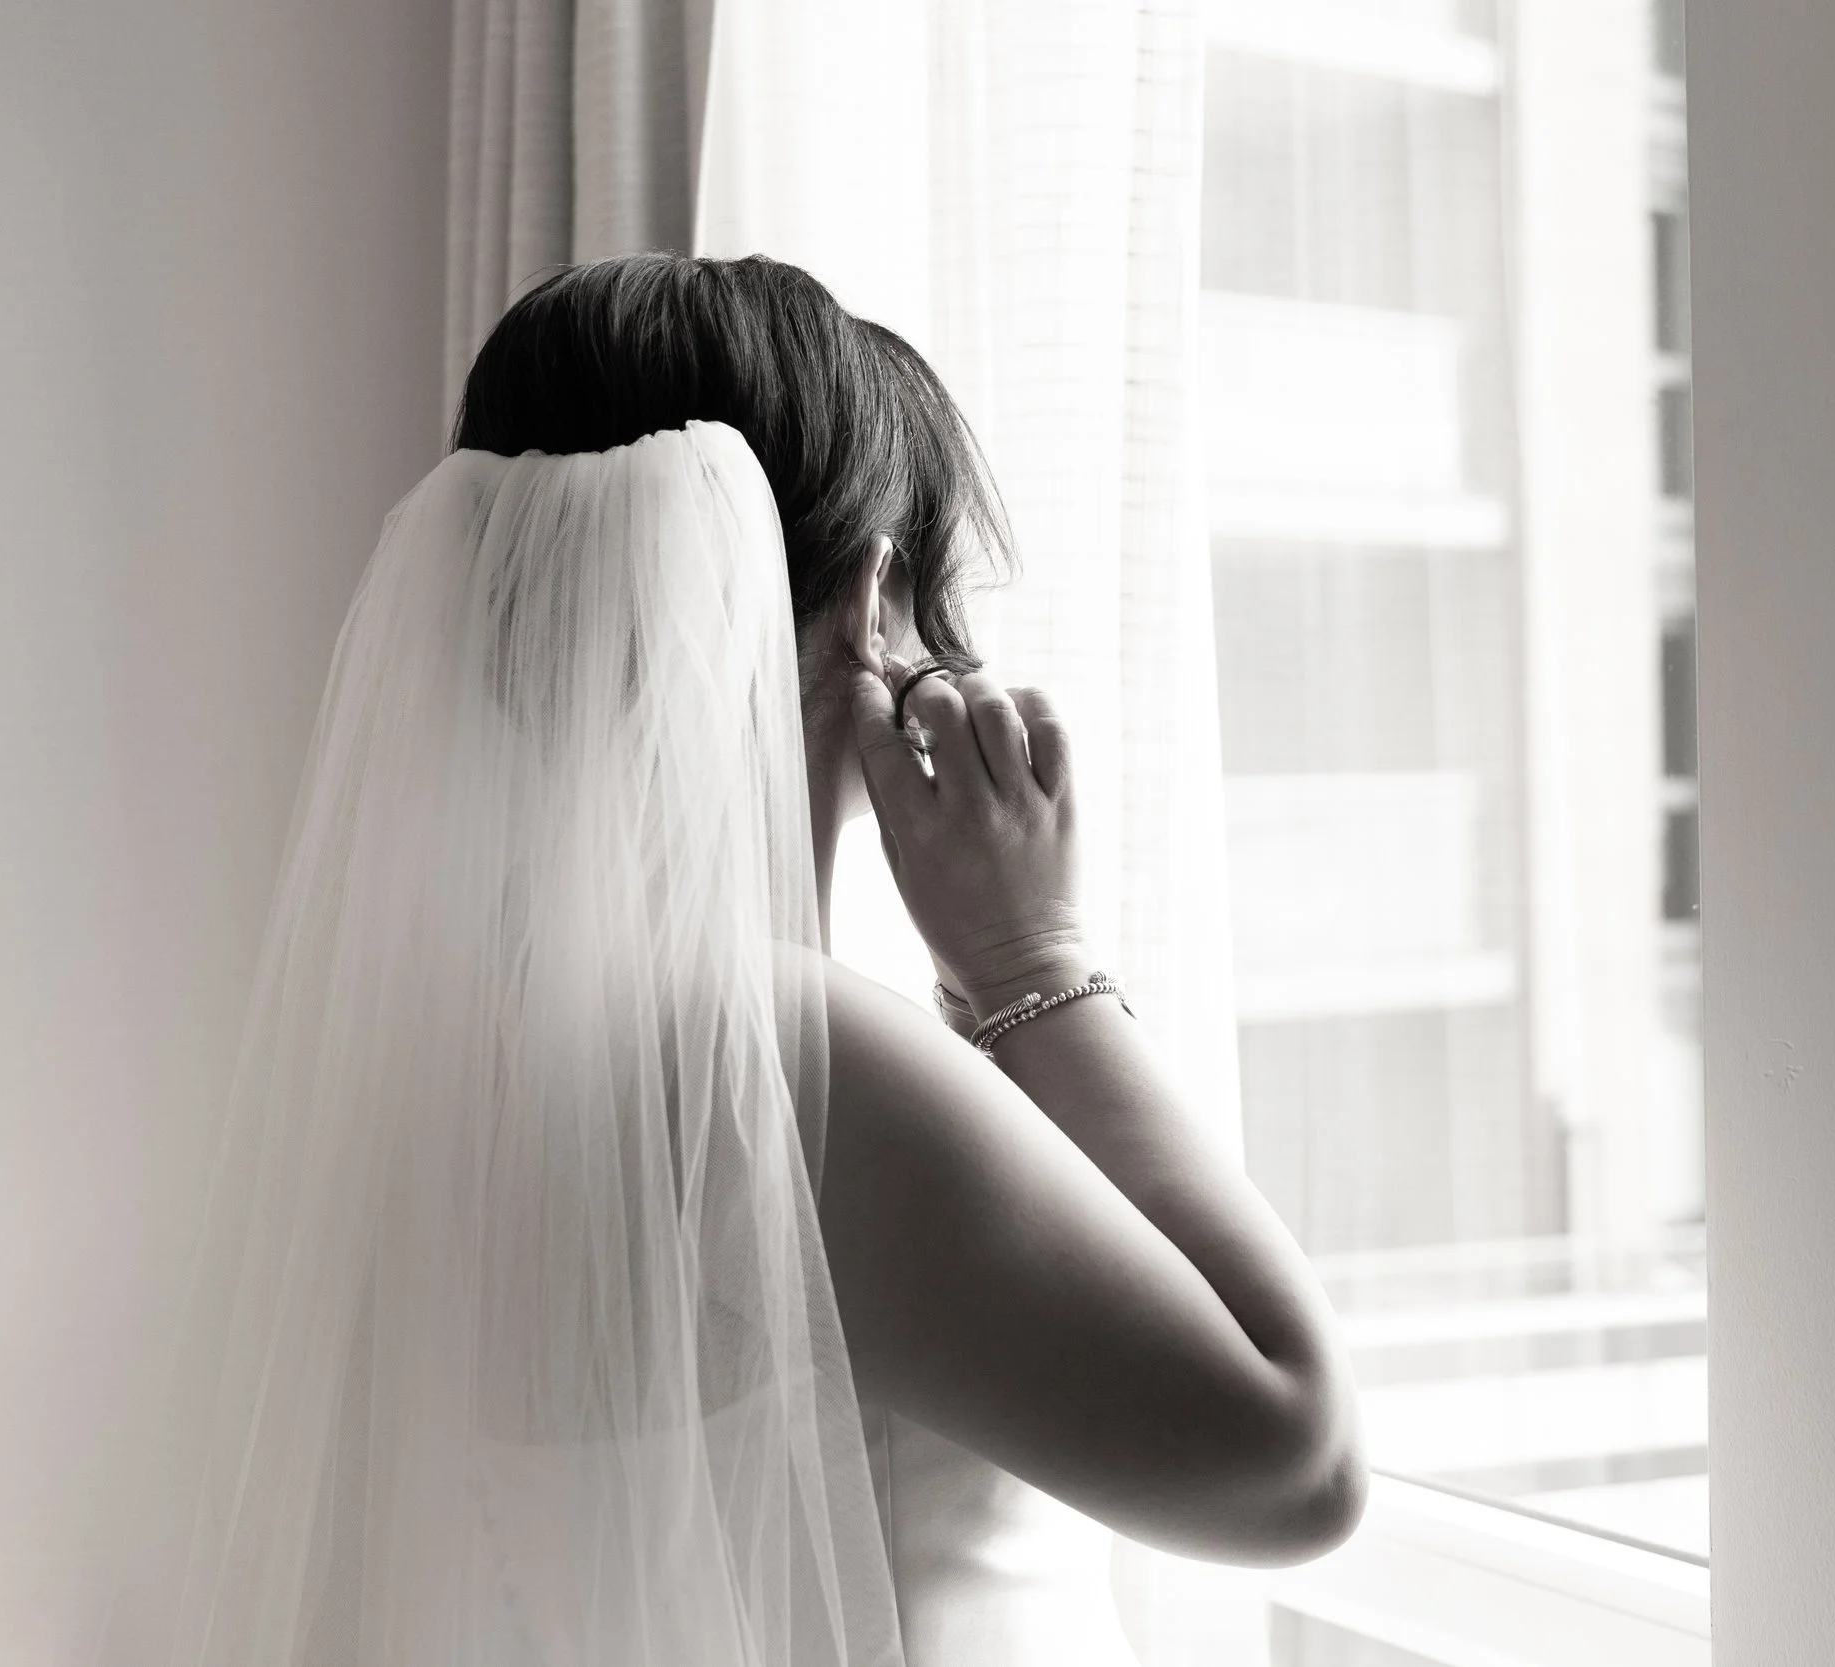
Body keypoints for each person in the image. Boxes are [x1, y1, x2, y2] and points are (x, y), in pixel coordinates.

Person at [100, 252, 1362, 1667]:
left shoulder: (444, 1050)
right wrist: (1030, 956)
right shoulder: (768, 1057)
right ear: (876, 596)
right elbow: (1294, 1463)